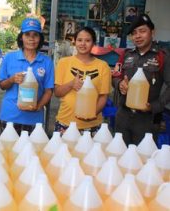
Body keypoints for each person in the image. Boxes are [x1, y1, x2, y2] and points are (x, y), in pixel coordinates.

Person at [112, 13, 170, 145]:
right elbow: (116, 75)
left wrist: (155, 106)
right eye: (134, 33)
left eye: (142, 31)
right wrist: (119, 83)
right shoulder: (125, 55)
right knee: (119, 155)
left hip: (149, 119)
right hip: (123, 116)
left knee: (143, 159)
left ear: (152, 32)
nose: (137, 36)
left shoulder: (162, 57)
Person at [0, 17, 54, 134]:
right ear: (21, 37)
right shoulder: (9, 58)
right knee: (9, 151)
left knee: (31, 151)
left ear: (40, 38)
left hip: (34, 118)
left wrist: (38, 106)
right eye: (27, 34)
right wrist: (12, 79)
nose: (31, 39)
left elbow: (48, 91)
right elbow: (2, 85)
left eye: (35, 35)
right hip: (10, 115)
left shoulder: (46, 61)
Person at [54, 27, 111, 134]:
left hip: (92, 125)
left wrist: (91, 114)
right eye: (80, 40)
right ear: (74, 42)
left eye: (87, 40)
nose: (83, 44)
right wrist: (71, 84)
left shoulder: (103, 66)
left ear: (93, 43)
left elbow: (103, 96)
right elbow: (57, 92)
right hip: (65, 122)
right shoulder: (64, 63)